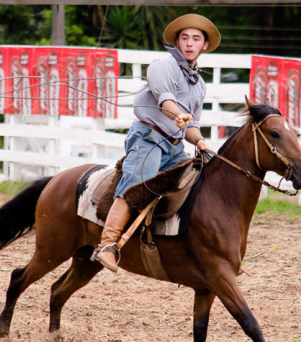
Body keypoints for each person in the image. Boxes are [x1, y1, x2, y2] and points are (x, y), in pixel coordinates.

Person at [92, 13, 219, 272]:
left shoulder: (199, 85)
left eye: (196, 39)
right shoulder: (163, 66)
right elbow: (166, 101)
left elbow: (191, 127)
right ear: (177, 41)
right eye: (185, 38)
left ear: (204, 45)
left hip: (174, 147)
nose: (190, 43)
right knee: (139, 183)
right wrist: (179, 115)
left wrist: (200, 141)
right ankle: (106, 245)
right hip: (148, 138)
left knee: (196, 181)